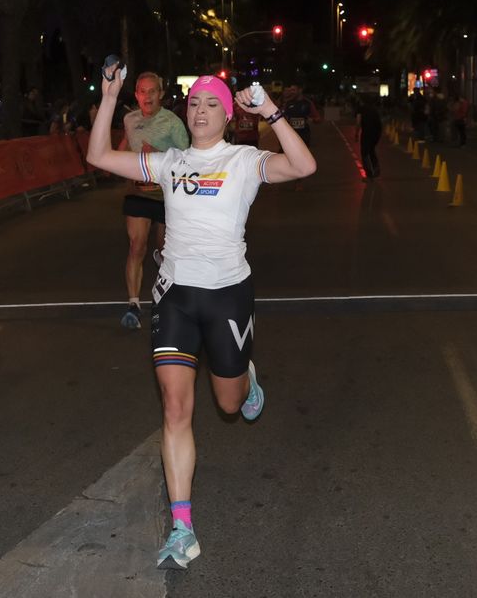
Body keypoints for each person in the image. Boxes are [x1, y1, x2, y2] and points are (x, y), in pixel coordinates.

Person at [85, 71, 316, 571]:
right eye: (193, 103)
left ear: (228, 116)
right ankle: (182, 526)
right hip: (175, 296)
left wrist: (270, 107)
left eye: (211, 103)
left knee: (229, 405)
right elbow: (99, 157)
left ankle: (246, 378)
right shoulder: (170, 163)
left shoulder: (245, 161)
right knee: (174, 408)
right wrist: (107, 99)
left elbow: (304, 165)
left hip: (228, 296)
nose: (200, 110)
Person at [117, 71, 190, 329]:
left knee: (163, 251)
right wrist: (116, 158)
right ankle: (133, 305)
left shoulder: (173, 123)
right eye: (142, 91)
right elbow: (124, 147)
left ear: (160, 94)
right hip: (138, 194)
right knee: (137, 245)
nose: (147, 96)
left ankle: (165, 300)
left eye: (152, 91)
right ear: (136, 95)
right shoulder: (129, 119)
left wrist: (159, 154)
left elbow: (186, 159)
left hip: (166, 197)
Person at [358, 95, 383, 179]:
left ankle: (369, 173)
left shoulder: (361, 109)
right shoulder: (374, 109)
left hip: (367, 133)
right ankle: (376, 167)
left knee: (365, 153)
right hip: (376, 133)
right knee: (371, 150)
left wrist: (356, 133)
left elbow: (358, 121)